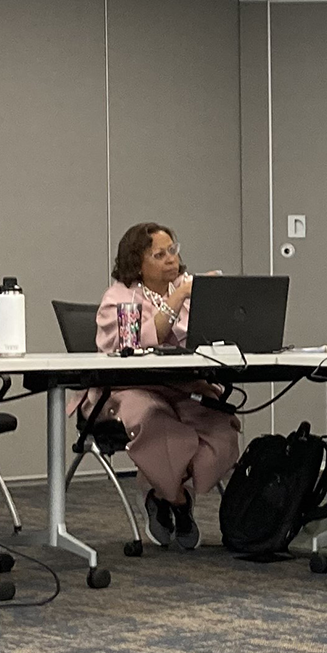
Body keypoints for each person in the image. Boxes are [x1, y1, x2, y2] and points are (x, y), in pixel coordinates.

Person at [89, 223, 241, 550]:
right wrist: (181, 294)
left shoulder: (186, 289)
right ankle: (179, 501)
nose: (171, 259)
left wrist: (215, 301)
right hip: (127, 388)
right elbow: (143, 341)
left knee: (220, 426)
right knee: (157, 424)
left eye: (173, 249)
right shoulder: (119, 296)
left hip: (181, 386)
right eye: (159, 254)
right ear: (136, 263)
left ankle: (161, 494)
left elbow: (203, 342)